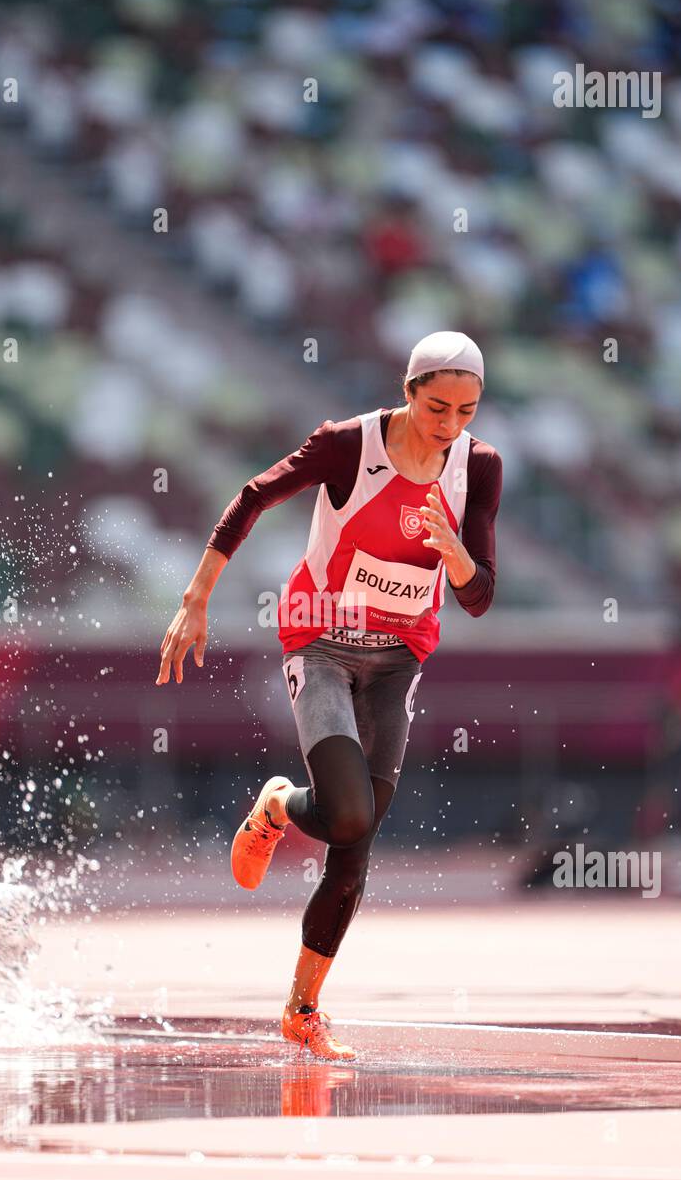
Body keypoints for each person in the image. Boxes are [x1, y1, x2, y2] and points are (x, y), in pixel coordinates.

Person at [156, 331, 502, 1059]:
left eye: (465, 411)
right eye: (437, 406)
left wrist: (455, 553)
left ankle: (302, 1009)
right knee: (345, 814)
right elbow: (255, 495)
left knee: (357, 842)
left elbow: (478, 596)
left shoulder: (480, 467)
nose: (449, 425)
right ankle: (280, 802)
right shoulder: (349, 446)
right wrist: (196, 598)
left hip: (398, 660)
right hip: (320, 643)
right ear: (407, 391)